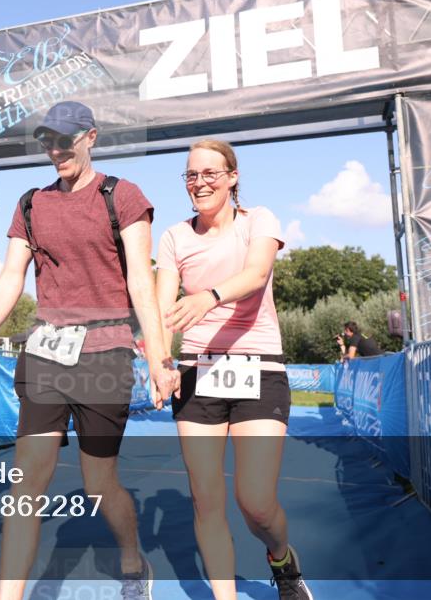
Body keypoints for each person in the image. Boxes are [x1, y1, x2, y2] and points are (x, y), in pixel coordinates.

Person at [0, 101, 177, 600]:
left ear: (90, 137)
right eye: (47, 142)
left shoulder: (122, 195)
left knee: (99, 482)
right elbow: (11, 279)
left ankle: (130, 557)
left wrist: (161, 356)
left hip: (106, 355)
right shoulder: (31, 203)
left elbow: (143, 280)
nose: (55, 150)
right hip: (47, 355)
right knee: (26, 482)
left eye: (64, 140)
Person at [155, 139, 312, 600]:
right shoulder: (174, 237)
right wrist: (161, 362)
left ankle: (282, 561)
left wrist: (207, 296)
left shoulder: (258, 220)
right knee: (207, 501)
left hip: (258, 368)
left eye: (209, 173)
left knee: (256, 503)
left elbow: (256, 274)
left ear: (232, 177)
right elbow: (164, 307)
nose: (199, 183)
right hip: (197, 373)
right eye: (190, 175)